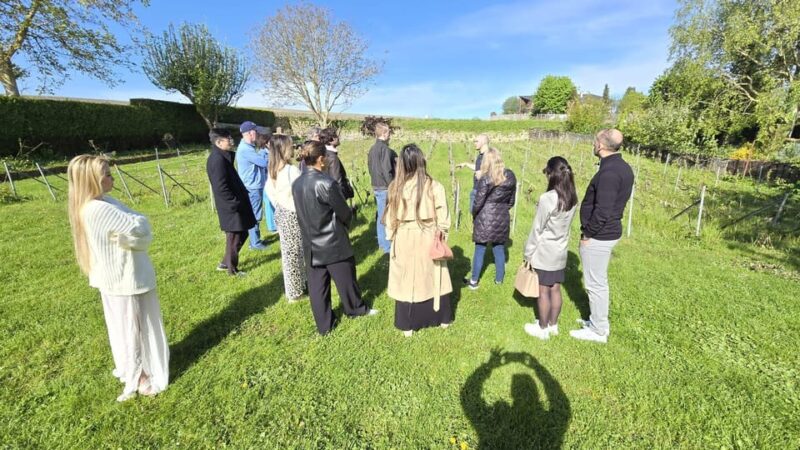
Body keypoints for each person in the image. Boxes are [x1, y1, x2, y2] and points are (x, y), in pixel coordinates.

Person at [66, 154, 169, 402]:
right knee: (131, 328)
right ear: (92, 180)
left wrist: (136, 232)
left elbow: (139, 226)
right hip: (123, 279)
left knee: (130, 325)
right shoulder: (97, 209)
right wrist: (137, 231)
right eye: (107, 174)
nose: (112, 177)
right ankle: (140, 376)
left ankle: (139, 367)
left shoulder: (105, 202)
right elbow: (141, 226)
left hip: (123, 276)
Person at [292, 141, 378, 335]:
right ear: (321, 159)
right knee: (346, 280)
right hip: (333, 243)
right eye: (326, 158)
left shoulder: (296, 183)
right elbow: (344, 213)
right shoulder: (326, 183)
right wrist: (348, 219)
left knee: (317, 287)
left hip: (311, 244)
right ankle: (355, 309)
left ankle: (324, 325)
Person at [570, 129, 634, 344]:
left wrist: (588, 233)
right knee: (598, 280)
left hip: (600, 235)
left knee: (595, 283)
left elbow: (603, 210)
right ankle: (596, 320)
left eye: (595, 140)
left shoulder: (609, 173)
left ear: (600, 145)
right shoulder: (622, 167)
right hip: (609, 231)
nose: (593, 144)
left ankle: (598, 330)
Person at [384, 144, 453, 337]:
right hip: (426, 235)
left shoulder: (396, 187)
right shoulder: (434, 185)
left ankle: (409, 325)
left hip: (408, 236)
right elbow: (443, 214)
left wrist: (391, 238)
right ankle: (441, 319)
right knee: (432, 276)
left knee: (408, 278)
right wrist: (441, 232)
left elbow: (390, 219)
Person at [522, 157, 579, 340]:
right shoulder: (572, 197)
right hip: (561, 251)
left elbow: (537, 229)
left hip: (545, 251)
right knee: (555, 288)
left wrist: (528, 253)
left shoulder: (548, 198)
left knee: (543, 290)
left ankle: (542, 327)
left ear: (552, 174)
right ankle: (553, 325)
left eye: (547, 173)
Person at [207, 128, 257, 276]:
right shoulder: (217, 160)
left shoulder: (223, 157)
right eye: (228, 139)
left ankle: (225, 263)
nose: (231, 141)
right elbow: (220, 187)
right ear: (219, 142)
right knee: (234, 236)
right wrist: (233, 203)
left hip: (235, 203)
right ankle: (232, 270)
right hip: (230, 206)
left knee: (242, 233)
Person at [464, 148, 517, 289]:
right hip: (502, 216)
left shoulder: (486, 178)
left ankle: (474, 281)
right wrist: (502, 209)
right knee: (499, 248)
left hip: (484, 217)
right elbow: (511, 201)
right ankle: (499, 280)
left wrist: (474, 214)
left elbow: (478, 201)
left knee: (480, 249)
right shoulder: (510, 176)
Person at [265, 133, 307, 302]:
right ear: (283, 149)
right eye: (290, 146)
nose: (293, 149)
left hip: (281, 212)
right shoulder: (291, 171)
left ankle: (300, 285)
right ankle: (295, 293)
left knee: (291, 253)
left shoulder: (272, 169)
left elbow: (270, 193)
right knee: (294, 255)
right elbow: (302, 193)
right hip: (292, 214)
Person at [235, 121, 268, 250]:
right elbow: (263, 162)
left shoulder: (248, 147)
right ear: (250, 133)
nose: (258, 134)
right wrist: (266, 151)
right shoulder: (245, 149)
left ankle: (255, 241)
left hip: (254, 185)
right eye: (256, 131)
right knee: (255, 214)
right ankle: (255, 243)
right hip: (253, 186)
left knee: (255, 213)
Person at [367, 121, 397, 254]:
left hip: (376, 185)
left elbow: (370, 167)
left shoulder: (372, 149)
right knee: (385, 217)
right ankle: (386, 246)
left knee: (381, 215)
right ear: (384, 134)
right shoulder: (385, 149)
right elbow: (387, 170)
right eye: (389, 132)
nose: (390, 135)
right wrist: (393, 186)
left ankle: (382, 243)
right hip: (385, 187)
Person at [456, 133, 491, 210]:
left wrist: (482, 173)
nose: (474, 143)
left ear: (483, 142)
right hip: (477, 189)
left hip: (483, 190)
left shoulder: (489, 155)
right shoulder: (480, 155)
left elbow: (493, 171)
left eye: (476, 141)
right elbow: (478, 168)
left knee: (480, 216)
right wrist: (465, 164)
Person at [319, 127, 354, 200]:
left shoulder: (323, 154)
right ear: (331, 139)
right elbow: (337, 181)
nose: (338, 138)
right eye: (336, 136)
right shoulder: (333, 158)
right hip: (335, 197)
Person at [255, 130, 277, 233]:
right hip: (266, 182)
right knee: (268, 204)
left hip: (273, 180)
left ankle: (276, 222)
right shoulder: (262, 153)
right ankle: (272, 226)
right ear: (266, 142)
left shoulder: (271, 152)